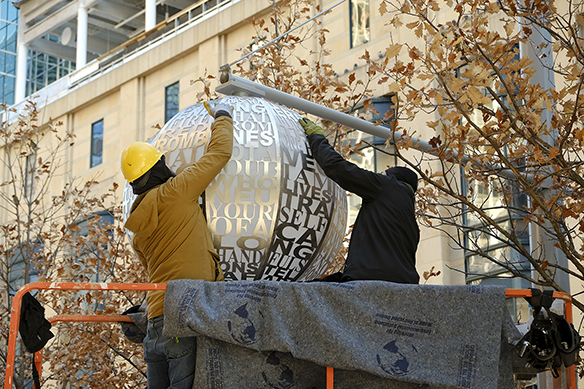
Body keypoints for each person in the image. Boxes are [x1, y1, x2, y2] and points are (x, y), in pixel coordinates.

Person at [120, 101, 233, 388]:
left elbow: (153, 272)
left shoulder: (138, 229)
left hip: (157, 323)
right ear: (158, 167)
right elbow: (220, 153)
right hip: (186, 313)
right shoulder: (176, 191)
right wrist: (223, 115)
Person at [299, 118, 420, 284]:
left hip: (369, 281)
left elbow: (336, 167)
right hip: (403, 286)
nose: (379, 175)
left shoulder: (387, 186)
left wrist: (317, 137)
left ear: (394, 178)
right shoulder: (410, 222)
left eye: (384, 173)